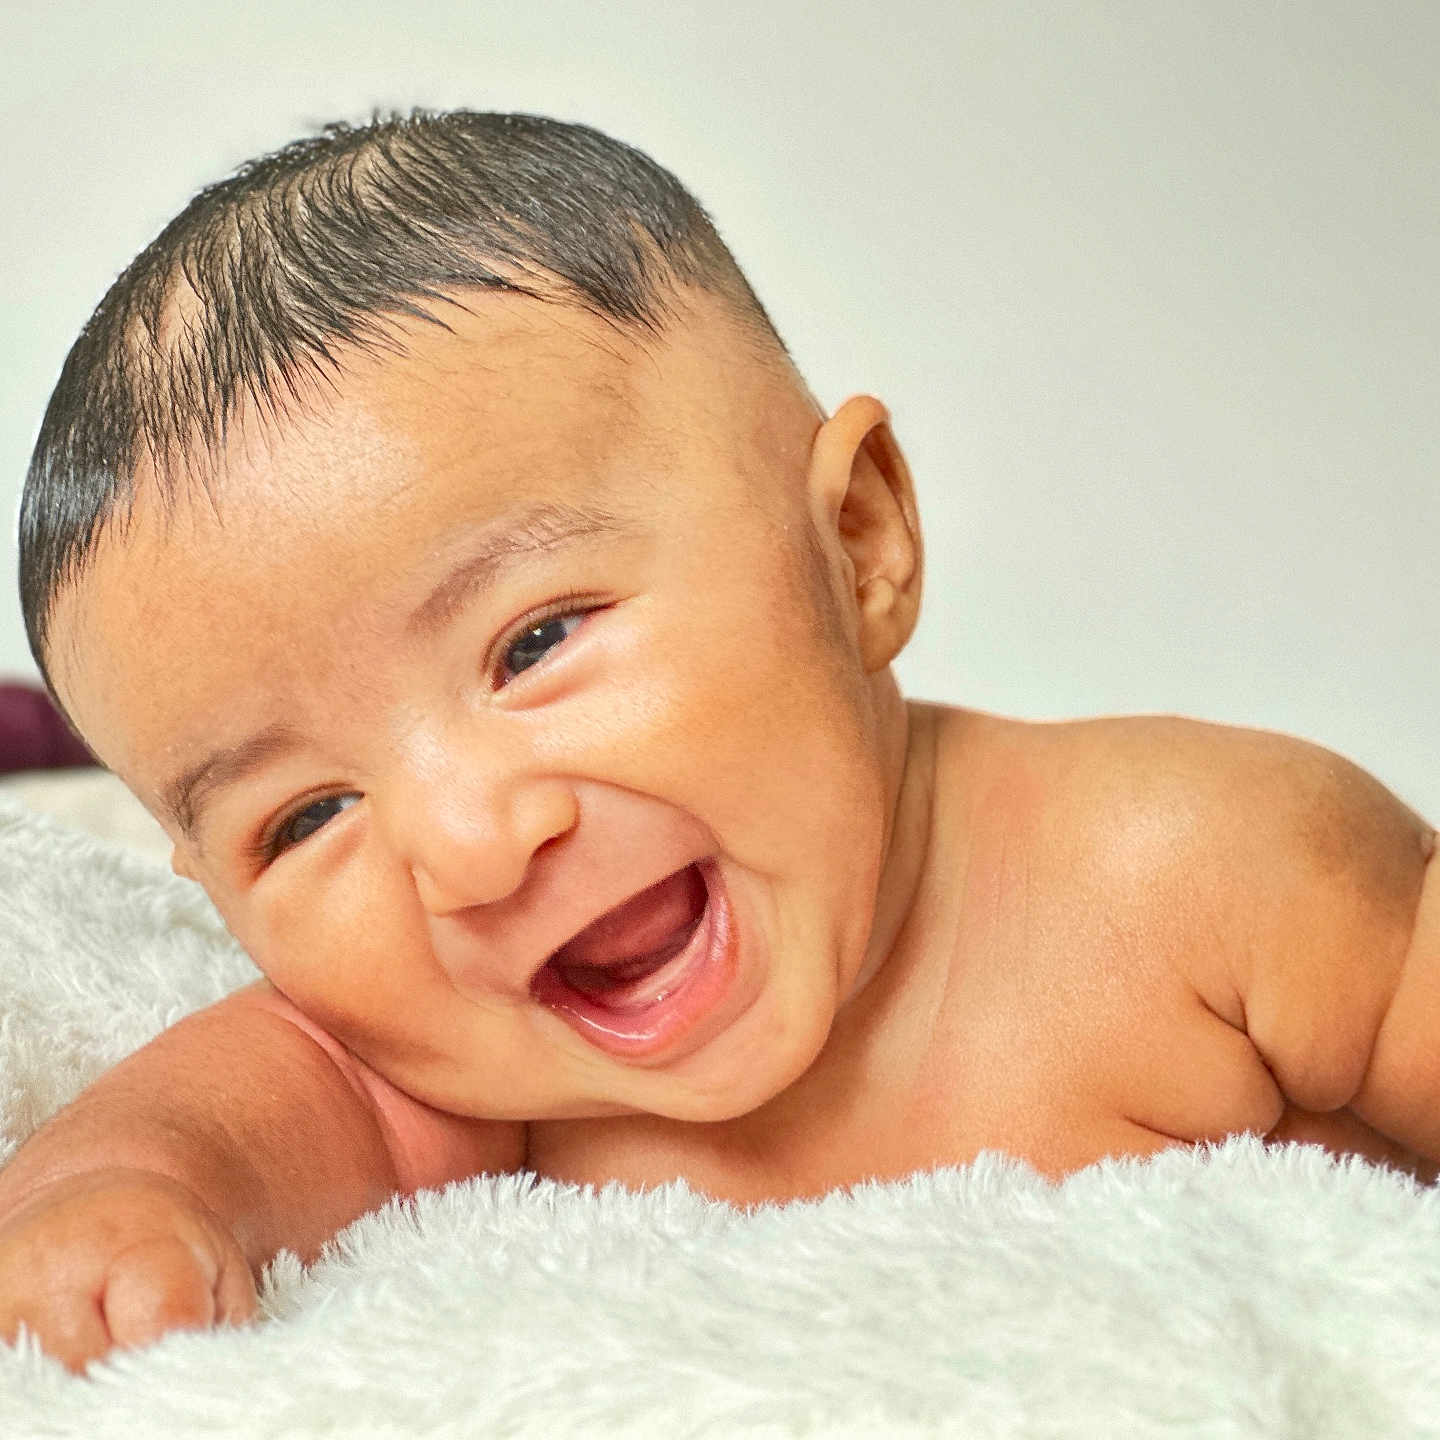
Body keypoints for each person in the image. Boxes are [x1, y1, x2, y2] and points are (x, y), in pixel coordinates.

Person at [3, 110, 1436, 1373]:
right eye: (303, 817)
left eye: (535, 643)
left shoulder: (1204, 870)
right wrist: (120, 1198)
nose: (467, 847)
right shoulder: (455, 1065)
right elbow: (218, 1116)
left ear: (856, 542)